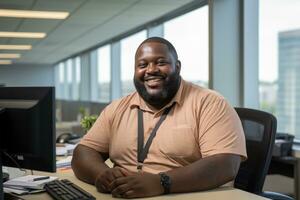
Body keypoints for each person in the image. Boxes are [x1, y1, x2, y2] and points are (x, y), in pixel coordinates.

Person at [71, 37, 247, 198]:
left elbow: (226, 164)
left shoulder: (209, 103)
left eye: (161, 62)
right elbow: (83, 152)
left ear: (177, 67)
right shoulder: (118, 108)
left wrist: (161, 182)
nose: (151, 70)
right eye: (142, 65)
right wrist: (101, 173)